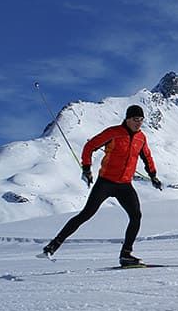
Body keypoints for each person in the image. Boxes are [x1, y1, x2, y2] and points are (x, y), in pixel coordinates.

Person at [41, 104, 162, 266]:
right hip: (106, 182)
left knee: (136, 216)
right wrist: (86, 168)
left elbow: (147, 156)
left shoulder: (141, 138)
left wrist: (153, 175)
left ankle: (126, 254)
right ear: (127, 119)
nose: (138, 123)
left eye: (141, 120)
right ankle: (53, 245)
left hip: (125, 185)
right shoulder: (113, 133)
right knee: (86, 215)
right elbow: (89, 147)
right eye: (135, 119)